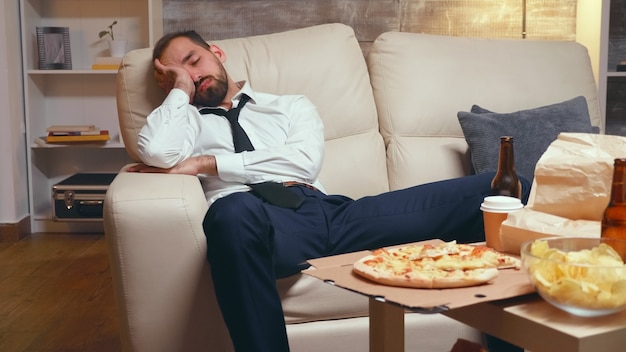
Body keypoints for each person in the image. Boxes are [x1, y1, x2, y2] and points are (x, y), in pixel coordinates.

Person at [129, 30, 531, 352]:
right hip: (261, 224)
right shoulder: (182, 124)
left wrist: (205, 164)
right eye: (174, 73)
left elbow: (302, 162)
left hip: (332, 215)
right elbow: (154, 151)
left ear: (216, 52)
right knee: (230, 211)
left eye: (194, 61)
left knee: (499, 192)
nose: (192, 74)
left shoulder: (289, 106)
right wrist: (179, 91)